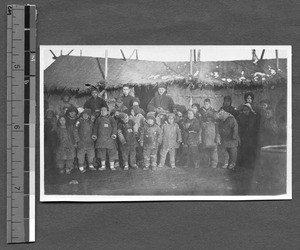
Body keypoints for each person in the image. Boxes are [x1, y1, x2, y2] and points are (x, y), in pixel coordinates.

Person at [92, 106, 118, 171]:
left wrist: (114, 134)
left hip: (110, 138)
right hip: (101, 139)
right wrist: (95, 135)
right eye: (102, 110)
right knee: (101, 153)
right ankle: (103, 166)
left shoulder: (111, 119)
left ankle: (112, 166)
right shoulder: (98, 119)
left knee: (111, 152)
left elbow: (115, 127)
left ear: (107, 112)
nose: (103, 112)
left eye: (104, 110)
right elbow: (95, 128)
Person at [236, 103, 258, 169]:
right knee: (243, 150)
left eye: (247, 110)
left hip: (252, 137)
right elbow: (238, 128)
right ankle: (243, 165)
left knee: (251, 151)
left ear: (250, 110)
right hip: (243, 137)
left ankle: (251, 165)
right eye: (244, 110)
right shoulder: (239, 118)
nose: (246, 112)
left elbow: (255, 127)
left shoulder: (254, 117)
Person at [74, 108, 96, 173]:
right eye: (84, 114)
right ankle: (81, 166)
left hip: (90, 142)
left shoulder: (91, 122)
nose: (85, 116)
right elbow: (75, 130)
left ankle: (91, 165)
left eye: (87, 114)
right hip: (81, 141)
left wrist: (94, 136)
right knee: (81, 155)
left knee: (91, 154)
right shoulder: (79, 121)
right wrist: (77, 139)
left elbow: (94, 130)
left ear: (89, 115)